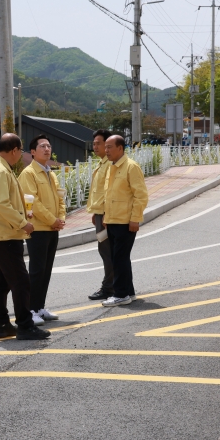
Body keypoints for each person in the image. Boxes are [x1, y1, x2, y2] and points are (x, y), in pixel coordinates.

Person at [0, 133, 50, 341]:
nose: (20, 155)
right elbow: (1, 204)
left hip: (1, 232)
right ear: (14, 150)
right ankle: (24, 325)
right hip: (6, 233)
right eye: (20, 151)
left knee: (2, 283)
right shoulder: (2, 171)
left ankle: (2, 324)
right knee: (21, 281)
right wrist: (23, 222)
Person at [18, 134, 66, 325]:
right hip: (38, 229)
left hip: (52, 228)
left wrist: (60, 219)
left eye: (48, 146)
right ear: (32, 152)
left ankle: (39, 307)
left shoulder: (51, 173)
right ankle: (30, 309)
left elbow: (60, 198)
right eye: (42, 146)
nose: (47, 149)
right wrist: (52, 219)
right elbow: (33, 203)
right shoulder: (28, 174)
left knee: (46, 270)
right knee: (36, 271)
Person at [101, 135, 149, 307]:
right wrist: (106, 217)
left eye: (109, 147)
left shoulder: (131, 167)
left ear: (120, 148)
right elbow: (110, 195)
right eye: (105, 147)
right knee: (119, 258)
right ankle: (129, 291)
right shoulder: (111, 167)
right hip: (113, 220)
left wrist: (135, 219)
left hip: (125, 221)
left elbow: (141, 195)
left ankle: (121, 294)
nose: (106, 150)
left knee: (119, 258)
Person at [86, 129, 115, 300]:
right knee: (106, 251)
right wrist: (95, 212)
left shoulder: (109, 165)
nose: (95, 146)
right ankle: (111, 285)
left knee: (107, 252)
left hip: (106, 215)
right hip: (100, 214)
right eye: (94, 143)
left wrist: (105, 214)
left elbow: (109, 192)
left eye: (99, 143)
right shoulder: (101, 164)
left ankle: (109, 287)